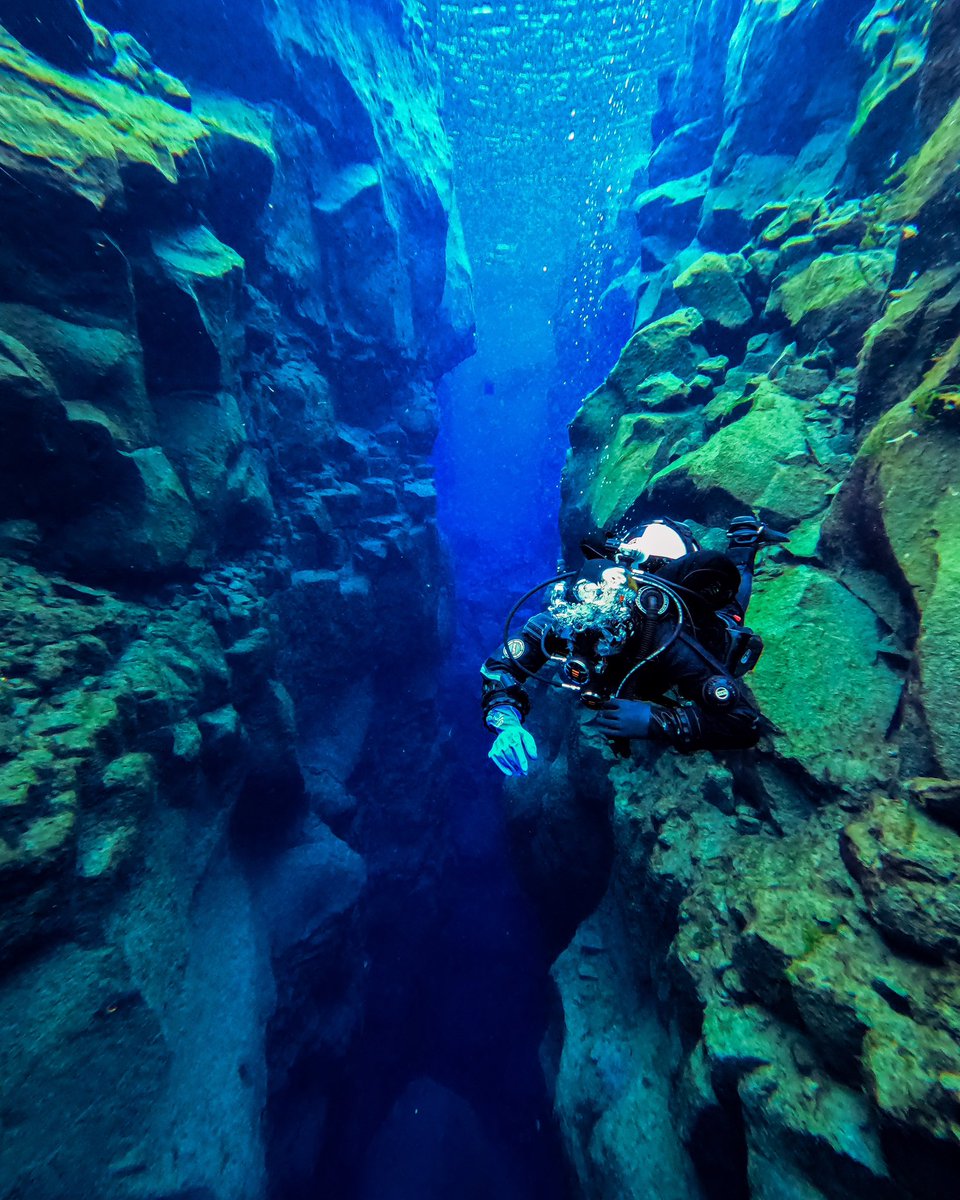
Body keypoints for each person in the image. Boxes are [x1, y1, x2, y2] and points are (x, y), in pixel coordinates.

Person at [481, 513, 787, 777]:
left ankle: (745, 540)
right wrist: (507, 723)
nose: (595, 644)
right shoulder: (570, 619)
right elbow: (501, 667)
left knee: (728, 618)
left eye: (607, 638)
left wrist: (655, 721)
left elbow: (745, 723)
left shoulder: (665, 637)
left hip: (677, 637)